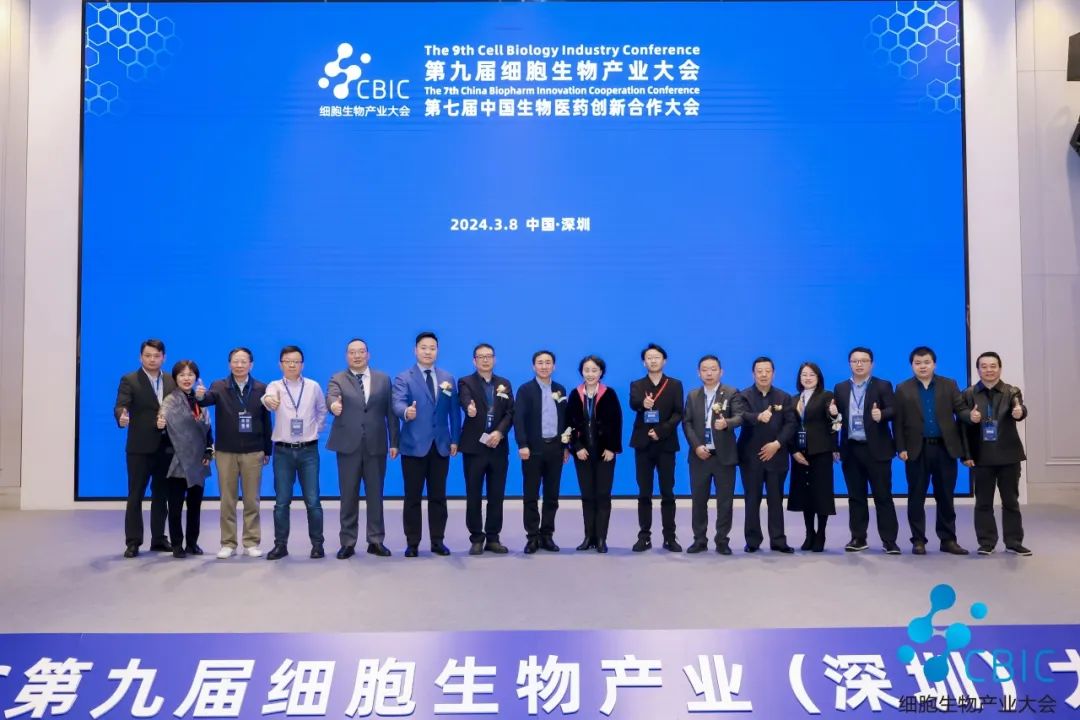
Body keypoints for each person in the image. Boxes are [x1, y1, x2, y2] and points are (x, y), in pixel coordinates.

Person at [893, 346, 971, 556]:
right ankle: (918, 540)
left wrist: (971, 416)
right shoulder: (903, 388)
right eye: (918, 363)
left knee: (945, 496)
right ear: (912, 365)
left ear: (934, 364)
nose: (922, 366)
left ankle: (948, 540)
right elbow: (898, 422)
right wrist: (900, 447)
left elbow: (960, 409)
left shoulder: (949, 384)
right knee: (916, 497)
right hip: (916, 450)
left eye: (926, 362)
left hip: (945, 449)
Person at [196, 347, 272, 559]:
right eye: (235, 361)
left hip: (253, 451)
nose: (239, 365)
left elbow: (266, 421)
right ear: (229, 364)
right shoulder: (219, 386)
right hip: (226, 452)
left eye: (243, 361)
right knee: (227, 500)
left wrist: (267, 449)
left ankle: (251, 542)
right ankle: (228, 543)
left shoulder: (261, 388)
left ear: (251, 364)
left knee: (252, 500)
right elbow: (206, 399)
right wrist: (199, 396)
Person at [327, 338, 399, 559]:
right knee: (348, 495)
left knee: (375, 495)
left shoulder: (383, 379)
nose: (356, 356)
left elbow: (391, 413)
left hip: (376, 445)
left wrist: (394, 442)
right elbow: (331, 397)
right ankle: (348, 542)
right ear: (346, 355)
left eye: (361, 352)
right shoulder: (337, 378)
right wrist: (334, 405)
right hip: (348, 446)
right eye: (352, 352)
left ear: (368, 354)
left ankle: (376, 540)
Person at [392, 331, 460, 557]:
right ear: (415, 350)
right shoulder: (404, 377)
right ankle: (412, 543)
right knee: (412, 497)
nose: (428, 351)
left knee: (438, 497)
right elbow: (397, 403)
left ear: (437, 351)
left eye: (432, 348)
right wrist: (406, 412)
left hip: (441, 445)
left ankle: (437, 541)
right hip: (413, 446)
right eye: (423, 347)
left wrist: (455, 439)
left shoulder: (447, 378)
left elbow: (454, 412)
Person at [832, 346, 901, 554]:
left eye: (864, 360)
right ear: (849, 364)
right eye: (855, 361)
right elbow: (836, 421)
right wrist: (832, 415)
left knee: (883, 496)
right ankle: (858, 538)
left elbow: (894, 409)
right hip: (851, 449)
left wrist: (882, 414)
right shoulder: (841, 388)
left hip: (877, 450)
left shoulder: (882, 385)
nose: (859, 364)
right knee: (856, 497)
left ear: (872, 363)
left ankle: (889, 541)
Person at [962, 351, 1031, 556]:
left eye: (993, 366)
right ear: (978, 370)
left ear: (1000, 368)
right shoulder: (968, 394)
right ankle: (986, 542)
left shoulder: (1012, 391)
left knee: (1011, 502)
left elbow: (1020, 409)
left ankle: (1013, 542)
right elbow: (962, 426)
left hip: (1009, 456)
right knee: (983, 502)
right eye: (984, 366)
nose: (989, 370)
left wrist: (1021, 412)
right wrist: (966, 454)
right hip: (981, 457)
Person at [262, 345, 328, 560]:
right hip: (283, 451)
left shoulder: (313, 386)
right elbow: (267, 399)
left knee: (313, 501)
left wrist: (314, 430)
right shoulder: (274, 386)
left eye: (296, 361)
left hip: (308, 451)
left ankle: (317, 545)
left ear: (302, 364)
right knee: (282, 502)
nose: (292, 365)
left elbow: (322, 410)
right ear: (280, 364)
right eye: (287, 361)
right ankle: (280, 545)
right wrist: (268, 401)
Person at [114, 338, 175, 558]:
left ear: (163, 358)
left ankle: (158, 539)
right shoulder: (130, 379)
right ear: (141, 357)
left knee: (161, 495)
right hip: (139, 447)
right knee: (135, 495)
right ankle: (133, 542)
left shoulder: (171, 380)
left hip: (166, 447)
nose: (152, 359)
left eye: (156, 356)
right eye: (148, 355)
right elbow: (121, 405)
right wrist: (121, 416)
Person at [681, 355, 746, 555]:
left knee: (725, 502)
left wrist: (727, 423)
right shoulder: (693, 395)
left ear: (721, 371)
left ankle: (722, 541)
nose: (709, 373)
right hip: (699, 456)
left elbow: (740, 416)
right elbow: (687, 423)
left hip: (723, 457)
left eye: (713, 369)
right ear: (698, 373)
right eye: (705, 369)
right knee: (698, 501)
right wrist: (696, 446)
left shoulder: (731, 392)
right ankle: (699, 540)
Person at [457, 343, 514, 555]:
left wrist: (499, 433)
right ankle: (476, 538)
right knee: (473, 494)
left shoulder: (504, 384)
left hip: (498, 447)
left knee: (496, 495)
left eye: (489, 356)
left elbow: (510, 412)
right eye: (481, 357)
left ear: (494, 359)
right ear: (474, 361)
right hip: (474, 447)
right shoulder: (466, 381)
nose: (485, 360)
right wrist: (469, 408)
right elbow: (464, 399)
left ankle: (493, 538)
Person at [628, 343, 685, 552]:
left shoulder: (675, 384)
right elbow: (633, 404)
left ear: (664, 361)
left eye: (657, 357)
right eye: (649, 358)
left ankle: (670, 537)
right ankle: (644, 537)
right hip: (643, 444)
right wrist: (643, 404)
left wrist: (661, 430)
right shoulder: (637, 384)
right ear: (644, 362)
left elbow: (679, 413)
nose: (653, 360)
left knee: (667, 492)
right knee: (644, 492)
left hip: (666, 444)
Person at [513, 350, 570, 554]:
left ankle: (547, 535)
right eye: (540, 362)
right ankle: (532, 537)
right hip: (532, 449)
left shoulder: (560, 389)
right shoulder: (525, 390)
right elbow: (518, 419)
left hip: (555, 448)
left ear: (554, 366)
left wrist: (566, 446)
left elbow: (566, 419)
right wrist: (522, 444)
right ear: (533, 366)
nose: (544, 366)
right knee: (531, 495)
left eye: (548, 362)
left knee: (552, 495)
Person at [738, 356, 796, 554]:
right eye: (759, 371)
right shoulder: (743, 396)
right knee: (751, 499)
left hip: (776, 456)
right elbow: (741, 416)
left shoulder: (784, 397)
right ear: (753, 374)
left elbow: (791, 424)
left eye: (767, 371)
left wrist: (777, 444)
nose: (763, 375)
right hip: (750, 457)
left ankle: (778, 540)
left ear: (773, 373)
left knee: (776, 500)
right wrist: (758, 416)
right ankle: (752, 541)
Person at [565, 355, 623, 553]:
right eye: (586, 370)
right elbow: (568, 424)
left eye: (594, 370)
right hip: (583, 453)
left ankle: (601, 538)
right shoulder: (575, 394)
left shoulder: (609, 394)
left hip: (604, 453)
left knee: (603, 495)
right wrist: (576, 447)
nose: (590, 374)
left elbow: (616, 422)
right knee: (587, 495)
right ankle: (588, 536)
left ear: (601, 372)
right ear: (581, 372)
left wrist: (611, 448)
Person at [160, 360, 214, 558]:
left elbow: (208, 429)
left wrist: (208, 451)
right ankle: (177, 544)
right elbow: (162, 424)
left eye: (190, 374)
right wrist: (159, 423)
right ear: (175, 378)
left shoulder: (201, 400)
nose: (186, 378)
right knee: (175, 507)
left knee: (195, 506)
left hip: (198, 461)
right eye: (182, 375)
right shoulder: (169, 401)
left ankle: (192, 543)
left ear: (196, 377)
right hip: (176, 462)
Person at [786, 362, 837, 553]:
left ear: (818, 377)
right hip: (800, 453)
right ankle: (809, 533)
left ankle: (821, 534)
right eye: (804, 375)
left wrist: (834, 446)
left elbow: (834, 423)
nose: (807, 378)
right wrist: (793, 451)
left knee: (821, 494)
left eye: (811, 375)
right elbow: (789, 427)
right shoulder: (793, 399)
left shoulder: (826, 396)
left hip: (820, 451)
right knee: (805, 495)